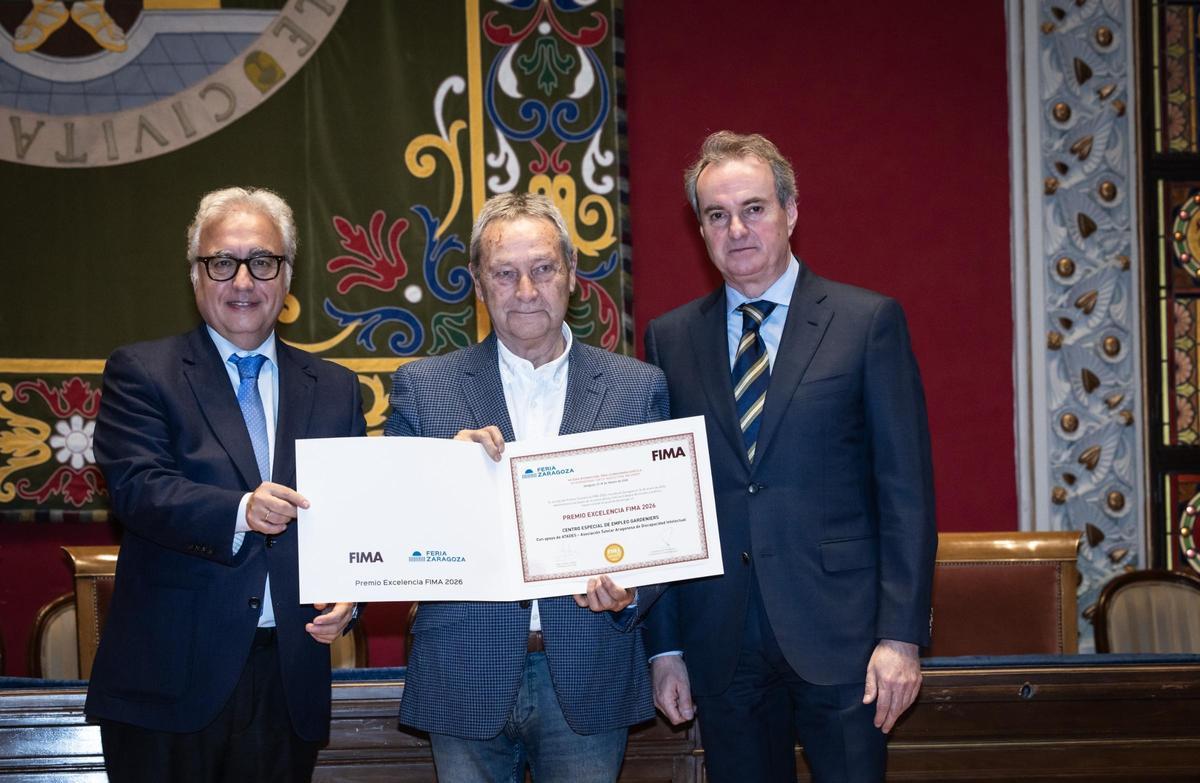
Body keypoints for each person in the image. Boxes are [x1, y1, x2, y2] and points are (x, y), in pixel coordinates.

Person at [643, 131, 937, 782]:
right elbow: (666, 508)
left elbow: (906, 494)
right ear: (699, 228)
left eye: (754, 208)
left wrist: (901, 636)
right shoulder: (670, 339)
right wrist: (664, 646)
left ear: (791, 211)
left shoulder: (866, 322)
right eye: (717, 215)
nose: (737, 229)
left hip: (846, 641)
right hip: (721, 643)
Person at [384, 192, 669, 782]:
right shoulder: (422, 388)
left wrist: (630, 591)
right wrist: (442, 475)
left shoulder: (637, 388)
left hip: (590, 669)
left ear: (571, 272)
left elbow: (663, 531)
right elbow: (395, 535)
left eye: (542, 269)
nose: (526, 291)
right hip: (463, 671)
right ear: (477, 284)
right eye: (505, 274)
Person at [87, 186, 366, 782]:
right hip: (170, 684)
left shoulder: (336, 388)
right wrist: (241, 509)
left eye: (262, 262)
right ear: (195, 274)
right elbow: (137, 488)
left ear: (287, 277)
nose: (243, 281)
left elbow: (353, 517)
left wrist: (351, 597)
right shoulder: (142, 372)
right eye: (222, 262)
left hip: (287, 682)